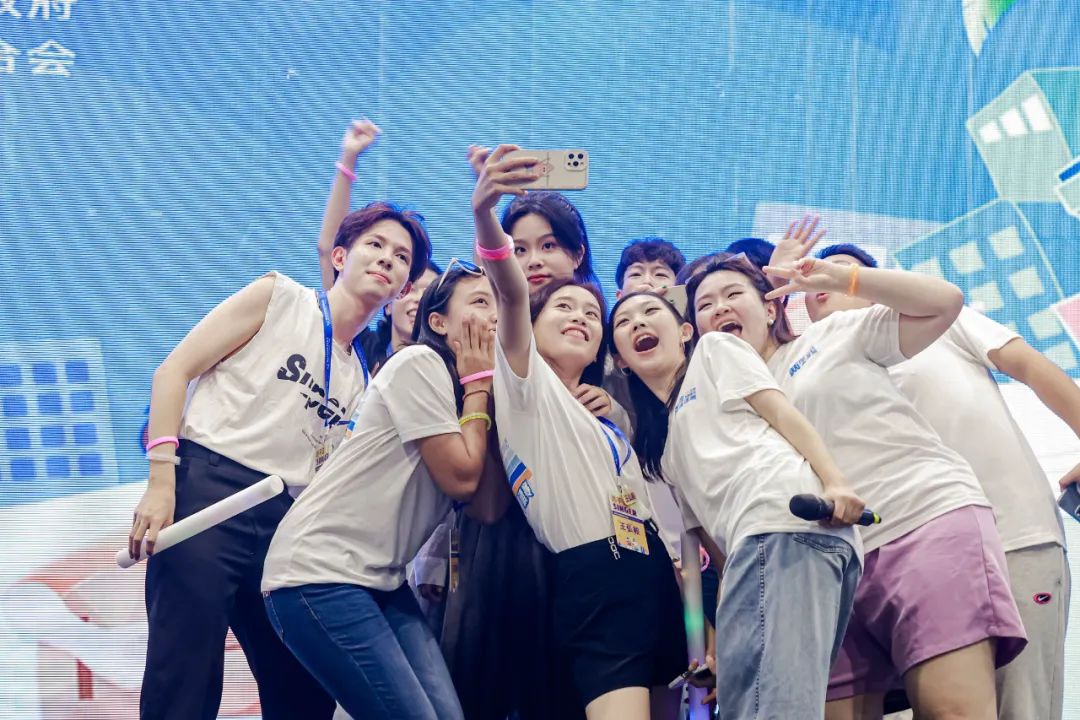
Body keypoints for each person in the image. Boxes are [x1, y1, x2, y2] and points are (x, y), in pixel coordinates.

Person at [130, 193, 433, 719]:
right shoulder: (279, 296)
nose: (387, 258)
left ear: (404, 287)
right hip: (208, 493)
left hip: (284, 525)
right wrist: (162, 482)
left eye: (401, 256)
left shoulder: (363, 379)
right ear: (340, 256)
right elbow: (172, 372)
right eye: (375, 244)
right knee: (184, 679)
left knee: (305, 690)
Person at [691, 252, 1025, 719]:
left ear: (770, 308)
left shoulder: (829, 335)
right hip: (820, 564)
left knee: (952, 711)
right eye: (705, 304)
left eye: (732, 294)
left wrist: (842, 278)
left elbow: (944, 303)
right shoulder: (723, 408)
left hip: (918, 521)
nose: (720, 308)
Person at [805, 241, 1077, 720]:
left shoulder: (939, 321)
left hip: (1012, 536)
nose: (821, 280)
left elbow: (1031, 366)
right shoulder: (813, 371)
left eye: (841, 270)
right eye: (812, 280)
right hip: (917, 558)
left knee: (1021, 709)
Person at [473, 144, 687, 720]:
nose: (580, 318)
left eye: (592, 314)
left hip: (651, 573)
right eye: (563, 309)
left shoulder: (605, 417)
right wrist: (484, 210)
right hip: (595, 575)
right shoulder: (525, 385)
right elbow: (510, 288)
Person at [261, 262, 508, 720]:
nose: (496, 315)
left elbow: (487, 506)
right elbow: (461, 478)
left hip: (382, 581)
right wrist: (478, 387)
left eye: (501, 304)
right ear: (438, 322)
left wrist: (484, 394)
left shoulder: (472, 393)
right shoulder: (419, 363)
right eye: (480, 302)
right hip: (319, 573)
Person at [609, 288, 865, 718]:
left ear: (685, 332)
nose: (638, 322)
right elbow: (715, 547)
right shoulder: (666, 450)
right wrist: (722, 640)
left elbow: (781, 414)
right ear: (619, 359)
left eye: (651, 311)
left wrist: (835, 481)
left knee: (778, 710)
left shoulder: (714, 350)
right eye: (624, 321)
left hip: (784, 523)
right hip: (755, 548)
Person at [441, 146, 623, 720]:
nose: (534, 260)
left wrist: (614, 416)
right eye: (518, 248)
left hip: (590, 546)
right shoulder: (495, 327)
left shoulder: (605, 345)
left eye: (549, 246)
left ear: (578, 254)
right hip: (504, 535)